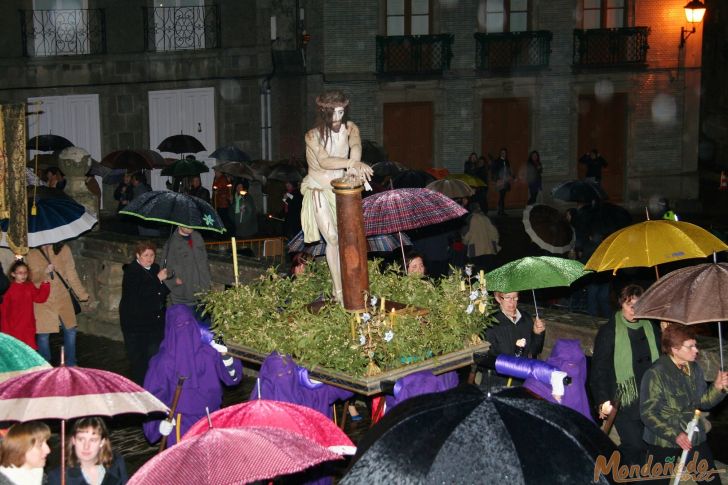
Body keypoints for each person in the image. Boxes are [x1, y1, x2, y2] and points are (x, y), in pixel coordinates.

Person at [302, 90, 372, 302]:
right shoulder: (312, 135)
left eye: (341, 111)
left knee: (348, 239)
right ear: (324, 112)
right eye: (333, 112)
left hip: (341, 190)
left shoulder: (350, 128)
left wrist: (355, 164)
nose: (338, 117)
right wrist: (351, 163)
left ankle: (349, 286)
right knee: (332, 238)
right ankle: (339, 291)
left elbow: (356, 146)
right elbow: (324, 160)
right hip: (318, 190)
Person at [143, 304, 243, 447]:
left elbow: (232, 378)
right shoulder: (164, 363)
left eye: (187, 324)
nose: (184, 330)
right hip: (181, 423)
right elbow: (154, 399)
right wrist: (159, 425)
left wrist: (225, 355)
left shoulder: (208, 354)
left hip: (209, 420)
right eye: (180, 326)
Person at [639, 324, 728, 484]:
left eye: (695, 345)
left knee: (710, 480)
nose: (696, 350)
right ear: (675, 349)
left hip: (692, 432)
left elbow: (703, 402)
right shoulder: (655, 374)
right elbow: (648, 413)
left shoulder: (694, 369)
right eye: (690, 346)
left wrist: (717, 388)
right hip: (663, 439)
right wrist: (675, 434)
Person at [590, 284, 660, 467]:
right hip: (623, 399)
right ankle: (600, 469)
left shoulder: (652, 327)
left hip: (650, 397)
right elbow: (599, 369)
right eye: (630, 305)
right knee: (634, 444)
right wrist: (602, 400)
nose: (634, 311)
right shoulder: (609, 331)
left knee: (646, 448)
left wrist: (667, 334)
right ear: (622, 304)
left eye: (639, 305)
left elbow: (663, 360)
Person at [27, 243, 90, 366]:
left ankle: (71, 362)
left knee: (71, 329)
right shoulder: (32, 253)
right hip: (43, 299)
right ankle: (45, 364)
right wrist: (44, 272)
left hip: (63, 296)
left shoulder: (63, 249)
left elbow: (71, 273)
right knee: (43, 334)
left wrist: (82, 294)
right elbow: (31, 279)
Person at [119, 241, 170, 385]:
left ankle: (153, 384)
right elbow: (140, 293)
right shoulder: (131, 271)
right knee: (138, 358)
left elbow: (160, 291)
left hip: (154, 321)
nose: (149, 258)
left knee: (154, 355)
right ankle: (140, 386)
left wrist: (163, 283)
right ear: (137, 255)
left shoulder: (155, 268)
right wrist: (157, 280)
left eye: (152, 255)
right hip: (136, 323)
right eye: (145, 255)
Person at [48, 417, 128, 485]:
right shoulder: (58, 477)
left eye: (93, 440)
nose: (86, 446)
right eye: (81, 439)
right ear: (73, 441)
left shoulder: (117, 464)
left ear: (102, 442)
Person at [0, 261, 51, 349]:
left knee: (29, 351)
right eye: (20, 273)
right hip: (14, 328)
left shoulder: (29, 285)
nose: (23, 275)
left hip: (28, 326)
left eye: (25, 273)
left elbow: (39, 298)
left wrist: (45, 284)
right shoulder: (8, 289)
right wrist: (5, 332)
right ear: (13, 274)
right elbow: (3, 312)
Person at [162, 226, 211, 314]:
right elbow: (164, 269)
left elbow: (205, 262)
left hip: (202, 294)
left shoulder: (198, 237)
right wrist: (174, 281)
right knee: (184, 325)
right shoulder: (172, 243)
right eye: (187, 224)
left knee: (199, 326)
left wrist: (207, 280)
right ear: (179, 224)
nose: (190, 225)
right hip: (182, 296)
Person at [485, 291, 546, 359]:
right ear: (498, 298)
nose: (512, 302)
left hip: (525, 366)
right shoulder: (492, 323)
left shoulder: (526, 318)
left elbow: (535, 351)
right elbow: (492, 356)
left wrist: (537, 334)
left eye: (515, 297)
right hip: (503, 368)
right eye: (507, 297)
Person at [461, 202, 499, 272]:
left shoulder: (470, 219)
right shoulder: (486, 218)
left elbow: (467, 234)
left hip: (475, 250)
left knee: (479, 271)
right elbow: (494, 232)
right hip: (488, 249)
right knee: (488, 270)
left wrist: (464, 242)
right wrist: (495, 244)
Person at [212, 169, 234, 236]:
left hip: (223, 204)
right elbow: (214, 188)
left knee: (224, 219)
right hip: (219, 203)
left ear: (220, 172)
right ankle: (223, 234)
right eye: (215, 171)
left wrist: (218, 192)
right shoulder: (217, 178)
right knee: (222, 219)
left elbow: (224, 190)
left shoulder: (223, 179)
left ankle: (227, 233)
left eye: (216, 171)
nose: (215, 172)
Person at [490, 148, 512, 216]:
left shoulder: (507, 161)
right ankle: (500, 211)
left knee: (503, 196)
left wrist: (511, 177)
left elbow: (508, 170)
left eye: (504, 153)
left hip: (505, 181)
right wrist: (497, 180)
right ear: (500, 153)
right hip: (500, 181)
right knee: (502, 196)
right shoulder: (497, 161)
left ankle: (501, 211)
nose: (503, 154)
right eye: (502, 152)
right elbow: (493, 171)